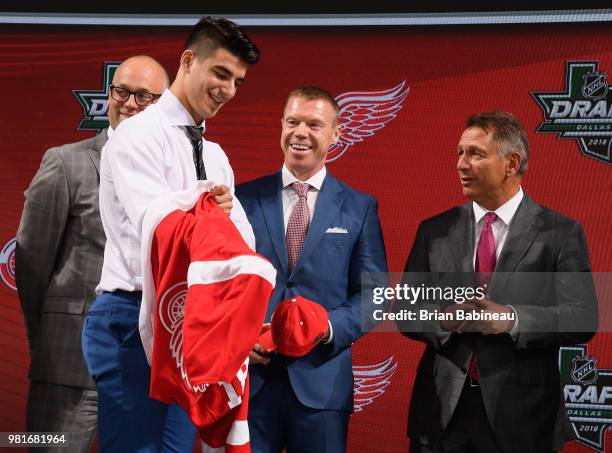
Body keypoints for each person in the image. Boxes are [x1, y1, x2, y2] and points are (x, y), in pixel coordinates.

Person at [81, 17, 260, 452]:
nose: (228, 90)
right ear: (188, 60)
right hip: (130, 317)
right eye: (220, 73)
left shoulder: (216, 156)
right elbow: (161, 231)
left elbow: (242, 245)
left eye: (237, 81)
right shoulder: (135, 137)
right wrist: (207, 210)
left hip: (192, 325)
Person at [395, 111, 598, 453]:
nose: (461, 164)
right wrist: (444, 318)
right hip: (441, 415)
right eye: (459, 153)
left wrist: (511, 319)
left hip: (523, 419)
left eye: (475, 154)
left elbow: (582, 317)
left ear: (511, 163)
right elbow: (405, 310)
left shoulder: (560, 233)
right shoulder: (434, 230)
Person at [15, 55, 168, 452]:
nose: (129, 103)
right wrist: (51, 334)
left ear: (164, 102)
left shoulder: (174, 174)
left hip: (145, 369)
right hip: (68, 365)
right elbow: (32, 264)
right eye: (121, 91)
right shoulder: (65, 163)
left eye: (144, 96)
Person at [236, 85, 388, 453]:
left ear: (336, 134)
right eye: (293, 121)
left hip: (323, 383)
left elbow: (376, 294)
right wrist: (239, 341)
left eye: (314, 124)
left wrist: (326, 328)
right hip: (250, 382)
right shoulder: (242, 200)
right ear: (281, 126)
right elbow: (220, 284)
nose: (300, 132)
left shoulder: (359, 207)